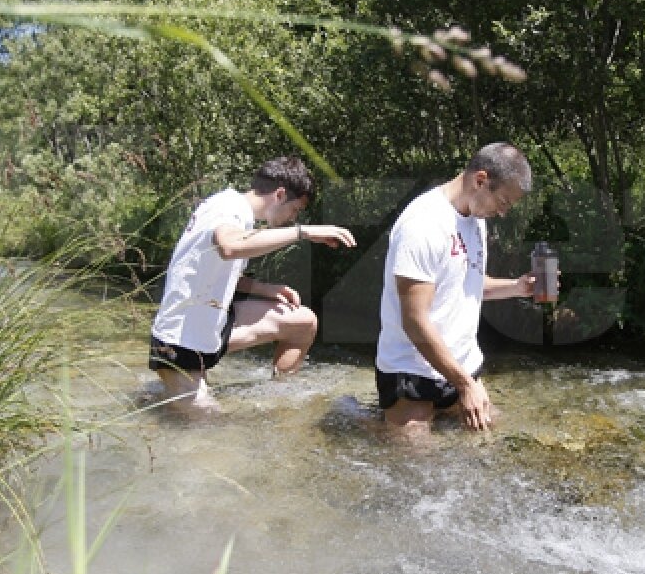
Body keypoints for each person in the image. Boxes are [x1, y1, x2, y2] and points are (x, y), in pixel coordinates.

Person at [149, 155, 356, 413]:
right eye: (295, 210)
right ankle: (169, 392)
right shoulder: (228, 209)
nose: (293, 218)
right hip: (180, 338)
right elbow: (230, 246)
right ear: (280, 194)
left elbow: (222, 269)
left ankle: (281, 401)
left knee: (302, 323)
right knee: (210, 424)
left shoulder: (238, 213)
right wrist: (303, 232)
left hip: (212, 323)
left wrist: (265, 290)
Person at [375, 141, 535, 435]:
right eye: (504, 202)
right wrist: (465, 385)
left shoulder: (475, 219)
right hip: (412, 369)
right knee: (415, 465)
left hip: (461, 365)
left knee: (492, 440)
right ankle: (370, 425)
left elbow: (468, 286)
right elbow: (414, 320)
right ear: (481, 180)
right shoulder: (423, 224)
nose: (503, 213)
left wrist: (517, 287)